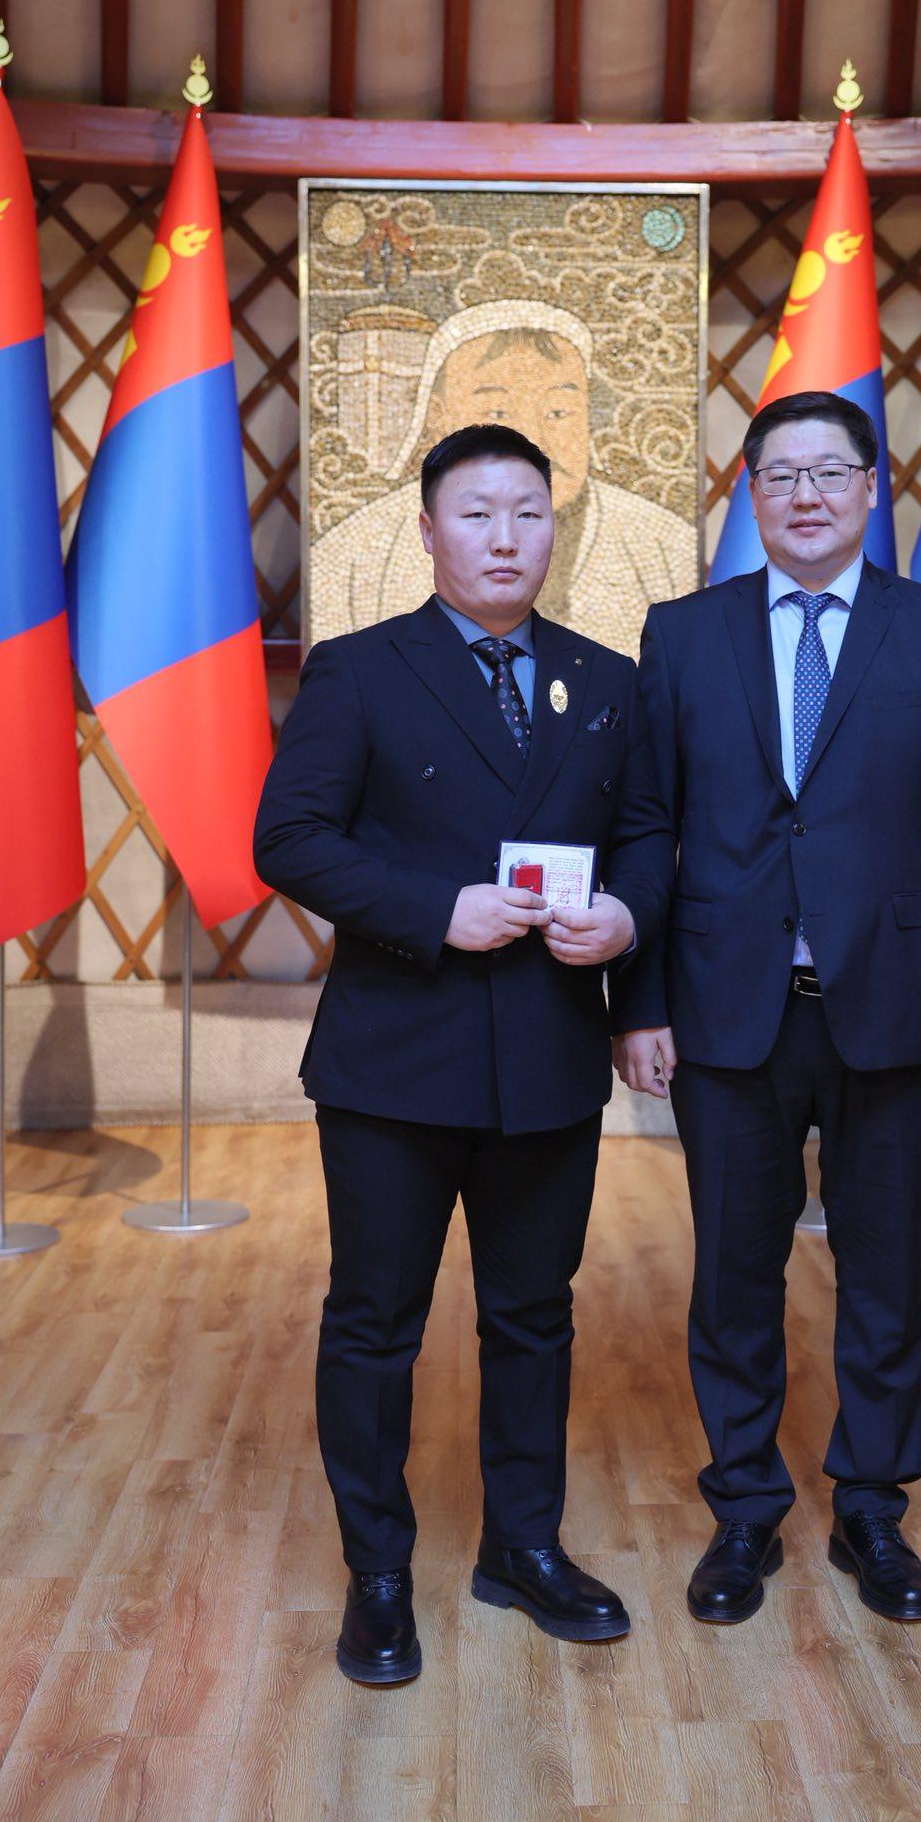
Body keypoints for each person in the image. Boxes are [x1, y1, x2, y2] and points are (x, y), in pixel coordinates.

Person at [612, 389, 921, 1627]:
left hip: (900, 1007)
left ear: (869, 489)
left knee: (885, 1270)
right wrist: (638, 999)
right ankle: (745, 1506)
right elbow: (646, 826)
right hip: (725, 1008)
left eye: (829, 472)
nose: (805, 495)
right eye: (779, 475)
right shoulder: (683, 635)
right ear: (748, 493)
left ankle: (872, 1508)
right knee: (733, 1272)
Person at [255, 423, 654, 1685]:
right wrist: (437, 909)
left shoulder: (604, 679)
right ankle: (377, 1571)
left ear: (555, 529)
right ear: (427, 531)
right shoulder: (360, 670)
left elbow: (648, 834)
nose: (503, 537)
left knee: (534, 1315)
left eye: (528, 512)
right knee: (376, 1320)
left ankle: (521, 1547)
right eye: (476, 513)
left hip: (546, 1052)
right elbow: (289, 837)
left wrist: (625, 917)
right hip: (395, 1060)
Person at [309, 300, 696, 656]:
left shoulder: (663, 546)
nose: (533, 437)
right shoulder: (352, 556)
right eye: (497, 411)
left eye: (558, 412)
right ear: (438, 416)